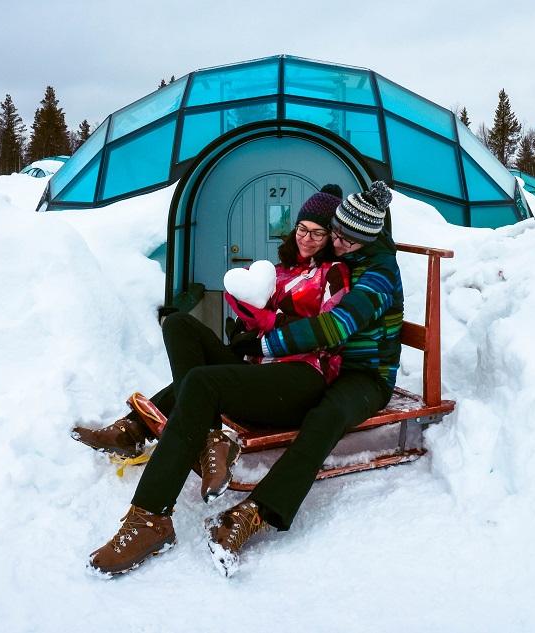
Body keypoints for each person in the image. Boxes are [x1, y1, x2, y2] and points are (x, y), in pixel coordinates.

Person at [89, 181, 402, 578]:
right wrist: (247, 332)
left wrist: (266, 341)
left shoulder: (372, 273)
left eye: (338, 237)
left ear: (363, 239)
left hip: (360, 374)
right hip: (288, 364)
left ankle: (248, 510)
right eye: (328, 233)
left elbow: (335, 327)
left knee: (325, 416)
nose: (333, 242)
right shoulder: (313, 263)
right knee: (185, 336)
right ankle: (191, 437)